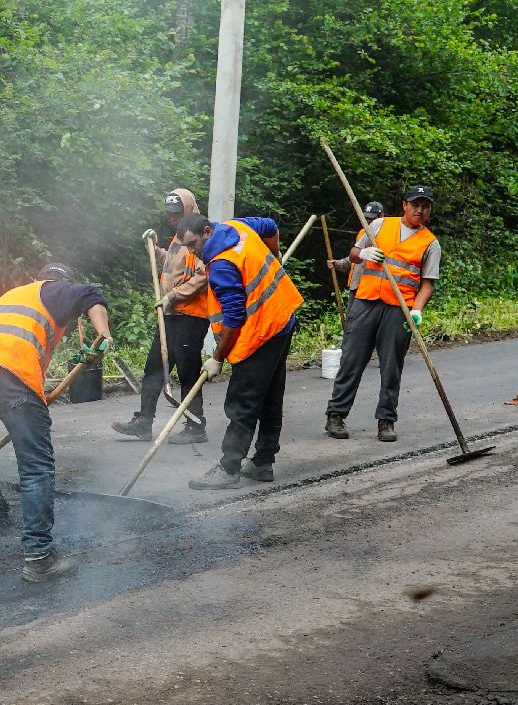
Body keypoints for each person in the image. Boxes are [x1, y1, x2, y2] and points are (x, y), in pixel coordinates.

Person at [0, 263, 112, 581]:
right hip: (12, 375)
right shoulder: (54, 289)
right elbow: (93, 294)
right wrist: (104, 336)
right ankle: (38, 557)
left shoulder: (14, 295)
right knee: (36, 467)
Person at [177, 213, 303, 489]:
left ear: (207, 232)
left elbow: (234, 317)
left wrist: (217, 358)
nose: (192, 252)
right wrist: (275, 254)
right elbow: (270, 226)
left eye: (193, 244)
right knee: (270, 395)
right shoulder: (237, 227)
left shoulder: (222, 264)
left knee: (242, 401)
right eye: (186, 246)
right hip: (282, 317)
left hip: (260, 333)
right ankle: (262, 463)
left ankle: (229, 467)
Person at [325, 186, 441, 443]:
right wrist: (363, 253)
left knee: (391, 367)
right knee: (352, 361)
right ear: (404, 205)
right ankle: (336, 415)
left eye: (425, 206)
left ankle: (386, 421)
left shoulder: (430, 243)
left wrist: (417, 310)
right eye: (415, 205)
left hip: (398, 309)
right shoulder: (378, 226)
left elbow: (428, 283)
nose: (419, 211)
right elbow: (354, 255)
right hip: (365, 302)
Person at [112, 188, 216, 443]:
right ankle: (143, 421)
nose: (172, 219)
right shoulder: (177, 239)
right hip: (170, 315)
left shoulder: (200, 236)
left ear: (189, 210)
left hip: (190, 315)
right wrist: (155, 248)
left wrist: (172, 296)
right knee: (154, 367)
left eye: (177, 214)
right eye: (170, 215)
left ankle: (195, 426)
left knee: (188, 371)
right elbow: (171, 265)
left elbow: (203, 276)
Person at [328, 201, 384, 291]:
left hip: (372, 288)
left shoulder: (385, 235)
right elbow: (354, 258)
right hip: (355, 285)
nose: (368, 221)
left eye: (372, 218)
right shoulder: (362, 233)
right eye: (366, 218)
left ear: (381, 216)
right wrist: (338, 263)